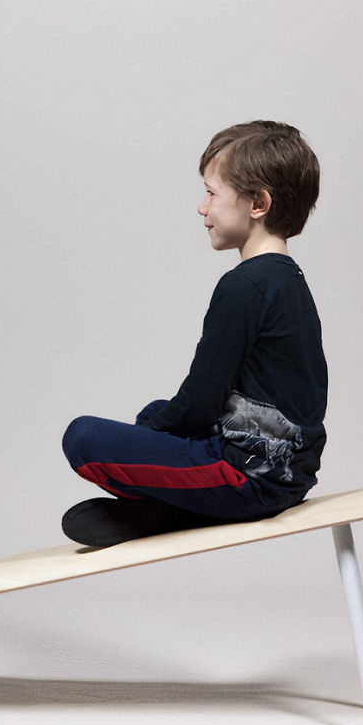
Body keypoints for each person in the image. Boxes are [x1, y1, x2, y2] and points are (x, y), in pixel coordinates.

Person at [61, 120, 328, 547]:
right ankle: (179, 501)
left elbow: (201, 400)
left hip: (250, 477)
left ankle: (175, 509)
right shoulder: (288, 279)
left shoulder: (243, 286)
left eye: (211, 193)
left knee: (83, 437)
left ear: (258, 203)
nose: (202, 208)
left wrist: (148, 436)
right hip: (289, 470)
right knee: (155, 412)